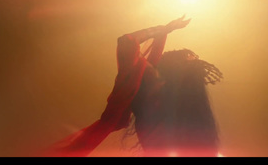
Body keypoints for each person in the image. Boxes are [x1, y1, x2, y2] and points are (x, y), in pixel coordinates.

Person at [43, 15, 223, 157]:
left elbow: (127, 41)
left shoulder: (149, 86)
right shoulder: (149, 85)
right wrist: (166, 29)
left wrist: (165, 29)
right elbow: (126, 42)